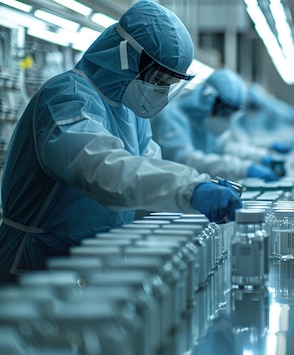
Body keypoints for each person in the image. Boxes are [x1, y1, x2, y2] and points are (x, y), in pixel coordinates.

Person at [0, 0, 242, 283]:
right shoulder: (66, 98)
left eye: (169, 83)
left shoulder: (131, 113)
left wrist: (202, 186)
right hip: (34, 269)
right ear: (125, 56)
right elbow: (105, 170)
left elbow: (145, 179)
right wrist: (190, 188)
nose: (160, 90)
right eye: (158, 78)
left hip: (91, 269)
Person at [151, 69, 279, 182]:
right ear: (207, 100)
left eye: (232, 115)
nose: (227, 120)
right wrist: (242, 168)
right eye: (225, 113)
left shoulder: (205, 124)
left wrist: (260, 157)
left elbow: (227, 147)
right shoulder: (171, 116)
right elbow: (185, 160)